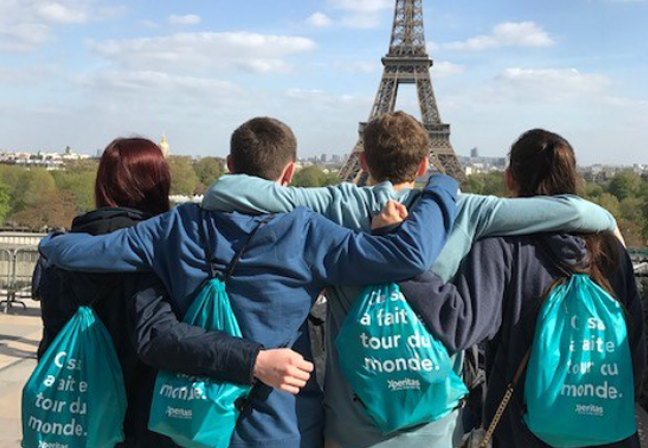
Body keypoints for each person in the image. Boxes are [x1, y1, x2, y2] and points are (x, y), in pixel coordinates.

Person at [200, 112, 619, 447]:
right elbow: (572, 210)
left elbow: (236, 191)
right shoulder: (467, 210)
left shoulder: (334, 204)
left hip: (350, 426)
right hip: (437, 426)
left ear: (362, 162)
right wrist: (608, 221)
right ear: (424, 164)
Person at [38, 117, 459, 448]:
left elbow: (88, 252)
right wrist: (439, 186)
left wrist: (51, 242)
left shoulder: (174, 226)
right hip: (279, 424)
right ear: (289, 173)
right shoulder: (307, 232)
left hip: (190, 422)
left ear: (229, 165)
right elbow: (404, 255)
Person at [33, 137, 311, 448]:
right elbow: (160, 337)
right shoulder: (153, 250)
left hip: (73, 418)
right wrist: (252, 359)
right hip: (142, 425)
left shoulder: (62, 251)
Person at [391, 129, 645, 447]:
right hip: (609, 427)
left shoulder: (501, 245)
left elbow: (458, 325)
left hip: (523, 430)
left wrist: (403, 260)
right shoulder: (610, 246)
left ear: (510, 178)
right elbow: (633, 339)